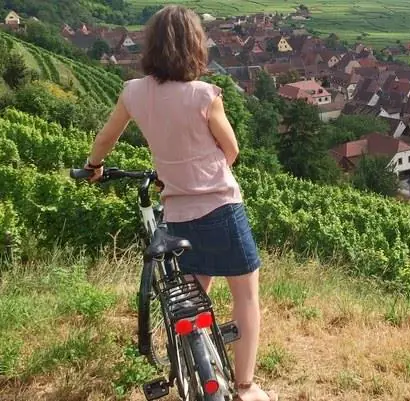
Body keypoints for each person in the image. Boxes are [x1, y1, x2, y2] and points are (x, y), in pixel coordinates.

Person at [82, 6, 276, 401]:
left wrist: (94, 167)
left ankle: (192, 359)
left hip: (176, 214)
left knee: (192, 294)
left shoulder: (133, 92)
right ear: (194, 47)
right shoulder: (205, 96)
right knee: (246, 295)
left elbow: (104, 140)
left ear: (151, 46)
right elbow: (232, 149)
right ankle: (245, 386)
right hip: (221, 209)